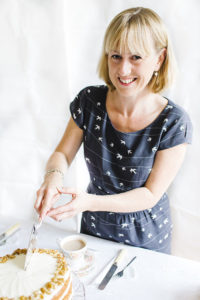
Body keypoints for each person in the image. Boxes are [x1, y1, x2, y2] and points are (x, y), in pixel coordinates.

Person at [35, 7, 193, 254]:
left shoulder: (173, 122)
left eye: (136, 58)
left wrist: (90, 202)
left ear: (159, 59)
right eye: (116, 56)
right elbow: (63, 155)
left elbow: (150, 194)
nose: (123, 70)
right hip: (94, 230)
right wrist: (53, 177)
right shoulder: (89, 101)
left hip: (146, 240)